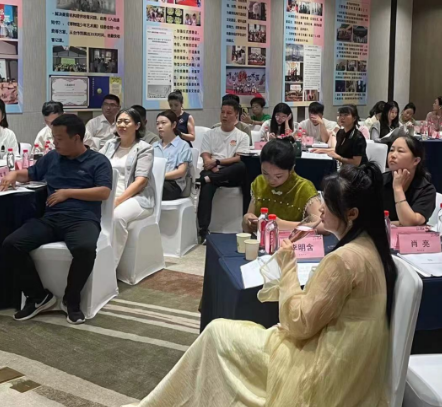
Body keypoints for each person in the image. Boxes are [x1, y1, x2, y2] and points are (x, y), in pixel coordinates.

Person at [132, 163, 395, 407]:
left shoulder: (343, 259)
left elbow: (299, 323)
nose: (322, 210)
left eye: (329, 204)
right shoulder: (370, 247)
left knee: (217, 334)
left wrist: (288, 266)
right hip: (349, 362)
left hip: (323, 367)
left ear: (352, 214)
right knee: (221, 333)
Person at [0, 114, 113, 324]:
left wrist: (68, 193)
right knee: (11, 244)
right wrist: (14, 175)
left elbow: (104, 192)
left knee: (85, 248)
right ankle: (39, 297)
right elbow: (31, 173)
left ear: (76, 138)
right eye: (54, 138)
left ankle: (72, 300)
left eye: (59, 139)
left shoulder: (98, 161)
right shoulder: (52, 157)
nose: (54, 143)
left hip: (82, 219)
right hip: (51, 218)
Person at [100, 108, 156, 261]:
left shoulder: (144, 148)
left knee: (117, 217)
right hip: (108, 194)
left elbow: (141, 182)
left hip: (136, 197)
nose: (122, 125)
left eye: (126, 121)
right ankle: (96, 260)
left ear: (137, 125)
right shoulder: (110, 145)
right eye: (119, 121)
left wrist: (117, 201)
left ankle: (110, 265)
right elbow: (95, 165)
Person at [198, 100, 251, 236]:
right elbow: (205, 155)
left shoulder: (242, 136)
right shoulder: (210, 133)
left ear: (236, 115)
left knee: (241, 166)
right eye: (222, 112)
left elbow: (239, 157)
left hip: (230, 172)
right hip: (212, 170)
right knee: (207, 188)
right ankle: (203, 230)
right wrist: (212, 165)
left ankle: (208, 178)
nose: (224, 116)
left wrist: (217, 162)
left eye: (229, 113)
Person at [242, 140, 320, 233]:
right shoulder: (260, 182)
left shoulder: (303, 187)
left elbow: (322, 226)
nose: (271, 180)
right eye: (265, 173)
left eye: (278, 176)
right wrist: (248, 218)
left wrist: (282, 224)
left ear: (291, 169)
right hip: (262, 239)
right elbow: (250, 216)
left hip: (292, 241)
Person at [384, 136, 436, 225]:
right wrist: (398, 223)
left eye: (400, 151)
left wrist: (398, 188)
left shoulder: (426, 190)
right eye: (391, 150)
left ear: (416, 160)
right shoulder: (378, 181)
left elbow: (411, 223)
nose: (393, 155)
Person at [154, 110, 192, 201]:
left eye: (163, 123)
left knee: (150, 189)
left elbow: (181, 171)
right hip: (154, 181)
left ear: (173, 125)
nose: (160, 126)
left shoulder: (183, 145)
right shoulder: (154, 146)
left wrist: (160, 176)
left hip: (173, 185)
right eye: (157, 124)